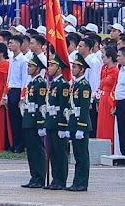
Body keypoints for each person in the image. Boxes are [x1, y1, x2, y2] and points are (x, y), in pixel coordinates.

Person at [22, 54, 49, 189]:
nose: (28, 68)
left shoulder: (40, 83)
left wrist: (41, 124)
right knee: (31, 151)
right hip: (29, 120)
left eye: (31, 66)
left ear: (38, 69)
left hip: (36, 121)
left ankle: (40, 177)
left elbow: (42, 106)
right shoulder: (31, 83)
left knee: (38, 151)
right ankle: (34, 176)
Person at [71, 49, 95, 192]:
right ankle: (77, 181)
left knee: (82, 155)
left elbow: (85, 108)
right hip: (75, 123)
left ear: (82, 70)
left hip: (82, 124)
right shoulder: (76, 84)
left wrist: (81, 127)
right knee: (77, 155)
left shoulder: (84, 85)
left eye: (75, 67)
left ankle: (82, 182)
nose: (73, 69)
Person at [47, 55, 72, 191]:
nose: (49, 68)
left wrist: (63, 126)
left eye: (52, 65)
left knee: (60, 153)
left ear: (59, 68)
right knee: (53, 153)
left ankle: (61, 180)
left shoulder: (63, 85)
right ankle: (55, 178)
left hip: (58, 123)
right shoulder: (54, 84)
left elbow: (64, 107)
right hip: (51, 122)